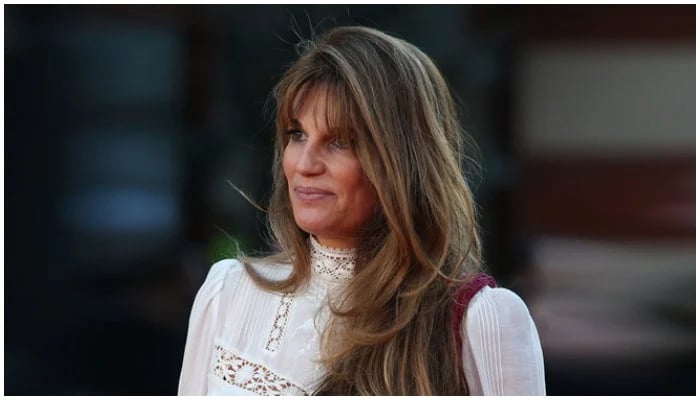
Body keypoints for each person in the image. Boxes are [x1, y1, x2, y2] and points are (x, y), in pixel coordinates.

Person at [178, 25, 545, 396]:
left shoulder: (481, 321)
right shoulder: (227, 293)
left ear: (401, 162)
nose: (305, 164)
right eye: (296, 134)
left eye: (339, 142)